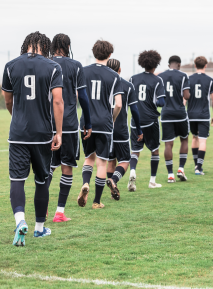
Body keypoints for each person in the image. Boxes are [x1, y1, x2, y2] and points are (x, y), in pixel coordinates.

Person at [2, 31, 64, 245]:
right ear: (44, 47)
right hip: (42, 134)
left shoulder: (10, 66)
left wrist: (17, 119)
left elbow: (8, 101)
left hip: (18, 134)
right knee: (41, 181)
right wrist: (58, 132)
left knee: (17, 180)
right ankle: (39, 228)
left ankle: (20, 220)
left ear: (26, 45)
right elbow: (57, 102)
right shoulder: (53, 67)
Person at [48, 33, 92, 222]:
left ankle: (42, 208)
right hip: (69, 126)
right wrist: (87, 122)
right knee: (67, 168)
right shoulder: (75, 66)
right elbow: (83, 97)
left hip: (46, 125)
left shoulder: (45, 63)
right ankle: (59, 212)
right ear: (68, 46)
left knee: (47, 168)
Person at [77, 40, 123, 209]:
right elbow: (118, 104)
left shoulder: (82, 71)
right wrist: (112, 119)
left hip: (86, 122)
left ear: (93, 52)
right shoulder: (114, 76)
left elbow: (77, 96)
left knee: (89, 158)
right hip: (104, 123)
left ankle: (85, 184)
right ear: (110, 55)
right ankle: (96, 201)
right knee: (102, 163)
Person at [105, 59, 143, 198]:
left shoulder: (103, 83)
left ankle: (112, 188)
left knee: (110, 160)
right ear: (119, 70)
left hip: (105, 128)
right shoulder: (127, 85)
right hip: (120, 129)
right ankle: (113, 180)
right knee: (125, 160)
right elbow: (135, 111)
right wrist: (139, 130)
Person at [129, 50, 166, 189]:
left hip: (135, 120)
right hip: (151, 120)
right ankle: (152, 181)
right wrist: (156, 102)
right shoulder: (158, 80)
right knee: (155, 150)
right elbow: (161, 102)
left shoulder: (133, 78)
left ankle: (132, 171)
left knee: (135, 150)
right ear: (156, 63)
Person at [158, 56, 191, 182]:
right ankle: (181, 168)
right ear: (179, 64)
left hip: (166, 114)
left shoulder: (160, 76)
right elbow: (186, 96)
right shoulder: (183, 75)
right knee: (184, 139)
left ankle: (170, 175)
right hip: (180, 113)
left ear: (168, 65)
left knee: (168, 144)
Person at [187, 56, 213, 175]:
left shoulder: (188, 79)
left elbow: (185, 98)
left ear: (195, 65)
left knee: (194, 137)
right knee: (202, 140)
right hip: (204, 115)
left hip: (191, 114)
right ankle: (198, 167)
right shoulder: (210, 80)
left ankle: (196, 165)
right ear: (206, 65)